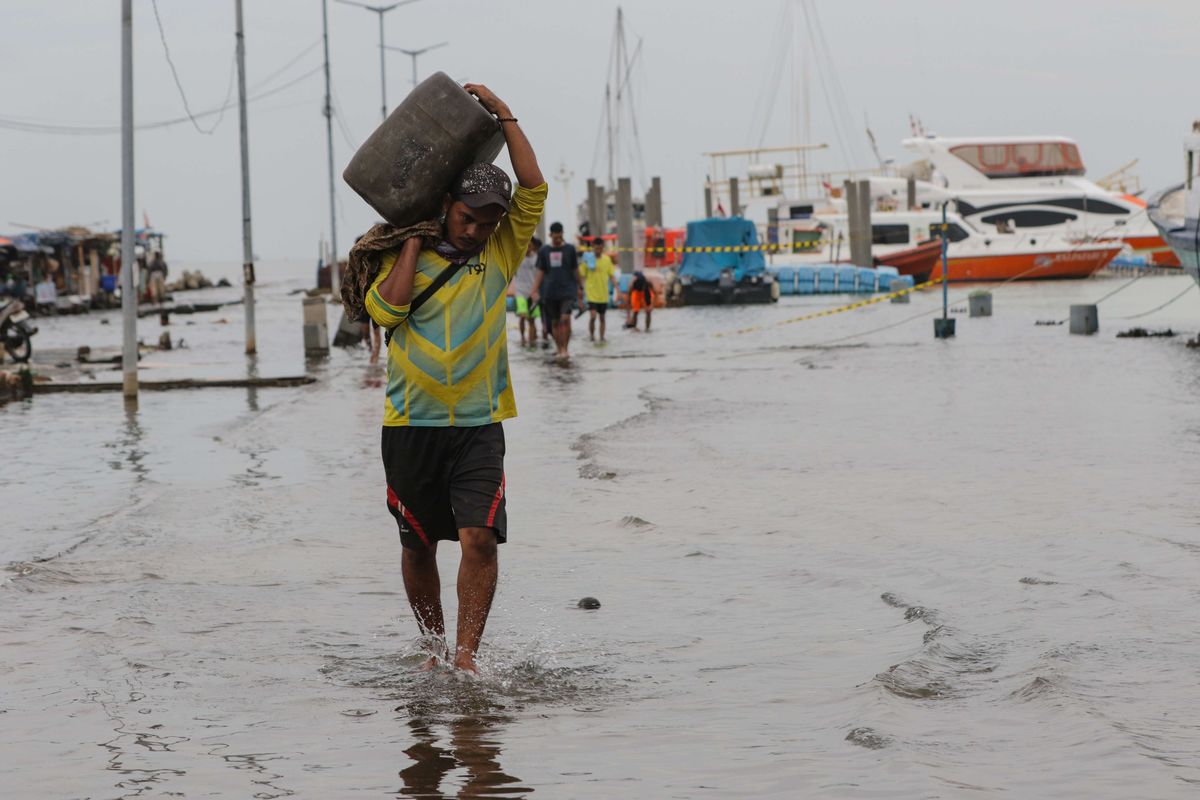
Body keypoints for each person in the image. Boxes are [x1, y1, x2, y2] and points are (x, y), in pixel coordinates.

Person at [363, 82, 546, 674]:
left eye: (488, 222)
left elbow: (534, 189)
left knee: (479, 540)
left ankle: (466, 657)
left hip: (478, 424)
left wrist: (505, 115)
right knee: (417, 545)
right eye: (468, 218)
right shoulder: (396, 254)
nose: (476, 231)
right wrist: (414, 247)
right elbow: (384, 313)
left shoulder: (499, 255)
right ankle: (433, 648)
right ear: (446, 205)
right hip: (409, 423)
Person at [531, 222, 582, 361]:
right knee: (554, 322)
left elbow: (575, 270)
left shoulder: (570, 249)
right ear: (550, 235)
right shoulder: (544, 251)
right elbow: (540, 272)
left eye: (560, 235)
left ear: (562, 234)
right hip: (550, 292)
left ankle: (565, 349)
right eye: (555, 235)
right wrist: (534, 290)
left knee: (565, 319)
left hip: (567, 291)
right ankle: (559, 348)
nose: (558, 237)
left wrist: (580, 287)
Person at [580, 237, 619, 342]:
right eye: (596, 248)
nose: (598, 250)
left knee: (602, 317)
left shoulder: (607, 260)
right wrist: (580, 289)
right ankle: (592, 336)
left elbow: (612, 276)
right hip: (591, 293)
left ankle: (602, 338)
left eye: (600, 248)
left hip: (603, 294)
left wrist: (617, 290)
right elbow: (582, 276)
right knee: (593, 316)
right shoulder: (587, 259)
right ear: (593, 247)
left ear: (603, 248)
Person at [511, 236, 541, 346]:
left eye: (530, 245)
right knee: (523, 316)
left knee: (532, 319)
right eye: (526, 245)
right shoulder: (518, 257)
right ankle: (523, 338)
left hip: (533, 292)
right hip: (520, 291)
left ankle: (531, 341)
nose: (528, 247)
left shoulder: (537, 258)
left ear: (533, 246)